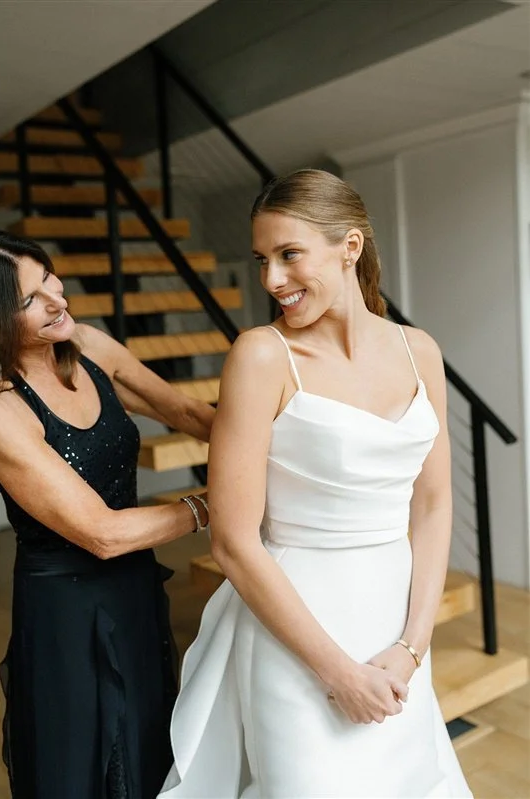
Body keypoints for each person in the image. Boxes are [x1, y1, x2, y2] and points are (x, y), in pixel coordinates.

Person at [158, 170, 472, 798]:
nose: (272, 279)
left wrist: (412, 646)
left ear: (350, 247)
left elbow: (434, 504)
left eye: (289, 254)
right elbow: (234, 542)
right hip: (298, 632)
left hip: (396, 624)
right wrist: (339, 673)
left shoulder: (420, 351)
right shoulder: (262, 355)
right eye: (262, 260)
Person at [0, 228, 214, 799]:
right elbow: (102, 533)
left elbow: (187, 413)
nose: (58, 299)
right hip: (66, 606)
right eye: (31, 299)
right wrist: (213, 506)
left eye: (49, 278)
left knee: (146, 742)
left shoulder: (89, 346)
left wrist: (289, 449)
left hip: (135, 583)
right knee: (83, 761)